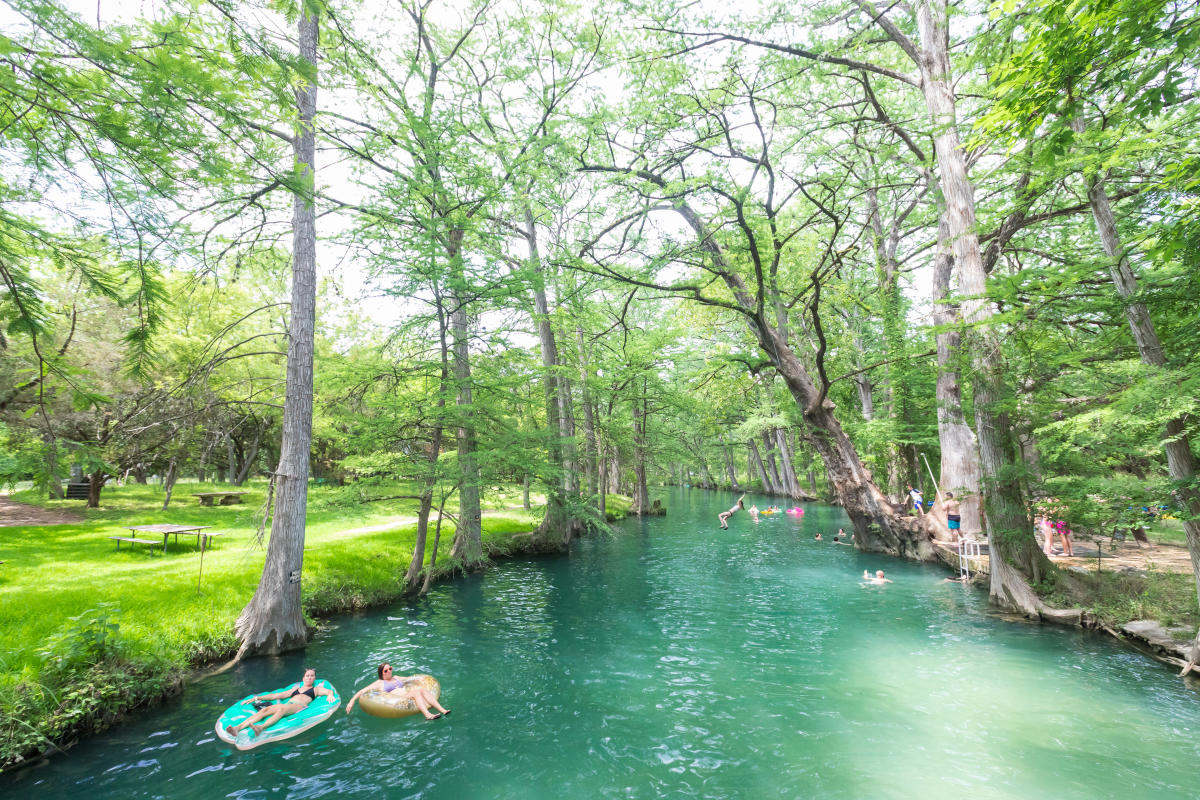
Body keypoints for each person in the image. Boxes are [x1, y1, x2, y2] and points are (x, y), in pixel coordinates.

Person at [225, 668, 336, 737]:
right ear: (303, 678)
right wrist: (256, 698)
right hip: (288, 705)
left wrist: (330, 695)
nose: (310, 677)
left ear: (314, 678)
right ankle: (237, 728)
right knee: (265, 710)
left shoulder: (315, 689)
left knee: (281, 709)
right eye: (307, 675)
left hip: (299, 706)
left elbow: (328, 691)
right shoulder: (295, 690)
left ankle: (261, 727)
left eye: (312, 676)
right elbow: (275, 695)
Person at [346, 663, 450, 720]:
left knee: (421, 689)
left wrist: (421, 679)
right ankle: (427, 715)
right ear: (381, 673)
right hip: (399, 700)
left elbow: (410, 678)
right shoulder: (380, 683)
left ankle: (442, 710)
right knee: (416, 692)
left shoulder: (396, 677)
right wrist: (351, 701)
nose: (389, 671)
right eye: (386, 671)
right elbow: (362, 691)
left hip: (407, 694)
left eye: (390, 668)